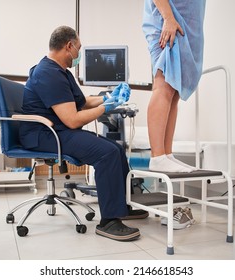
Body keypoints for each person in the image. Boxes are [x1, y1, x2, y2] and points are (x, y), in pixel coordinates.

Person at [19, 26, 147, 242]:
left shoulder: (61, 72)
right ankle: (109, 221)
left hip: (58, 130)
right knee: (106, 152)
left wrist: (108, 97)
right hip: (46, 134)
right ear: (68, 46)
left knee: (115, 148)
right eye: (78, 48)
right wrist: (105, 109)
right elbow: (72, 119)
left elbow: (82, 101)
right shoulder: (47, 73)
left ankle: (122, 206)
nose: (78, 54)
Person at [142, 0, 206, 173]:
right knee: (164, 86)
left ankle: (166, 155)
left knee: (174, 92)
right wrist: (169, 18)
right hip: (168, 22)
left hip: (185, 25)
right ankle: (158, 156)